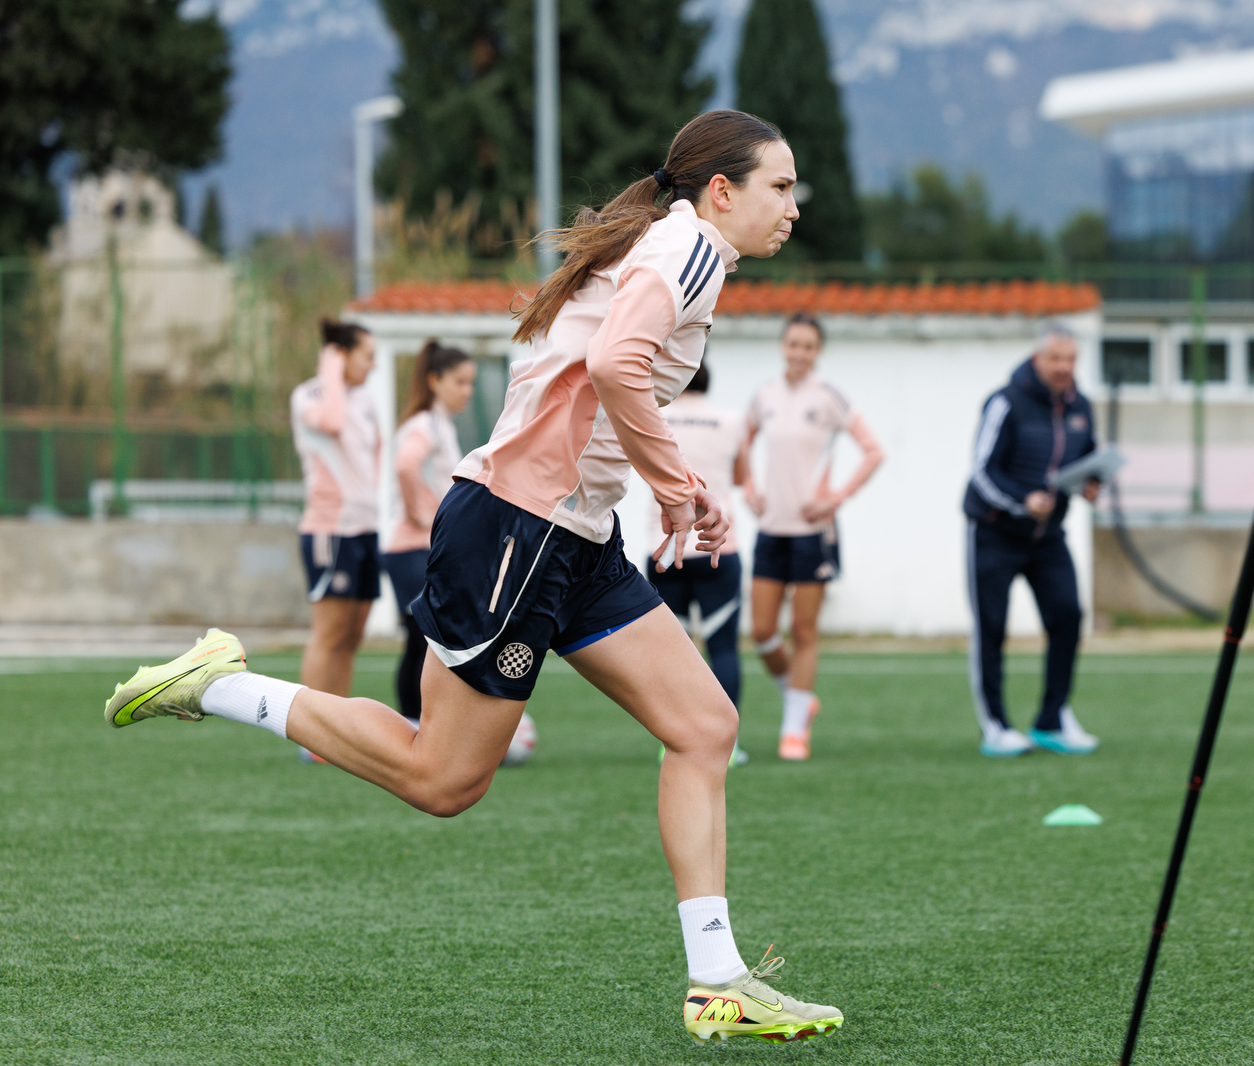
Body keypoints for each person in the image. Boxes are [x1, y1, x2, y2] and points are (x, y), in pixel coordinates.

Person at [100, 109, 842, 1046]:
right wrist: (682, 486)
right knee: (443, 778)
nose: (794, 207)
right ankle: (221, 685)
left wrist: (656, 494)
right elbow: (615, 365)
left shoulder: (675, 250)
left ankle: (716, 981)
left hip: (573, 537)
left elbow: (588, 382)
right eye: (780, 187)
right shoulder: (687, 245)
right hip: (515, 534)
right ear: (721, 190)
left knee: (705, 725)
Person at [743, 312, 883, 762]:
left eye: (808, 346)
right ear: (783, 346)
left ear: (817, 351)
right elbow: (740, 445)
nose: (799, 352)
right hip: (770, 531)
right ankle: (798, 697)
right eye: (793, 344)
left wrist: (836, 498)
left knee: (804, 631)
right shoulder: (764, 396)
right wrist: (749, 490)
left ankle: (793, 730)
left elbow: (874, 451)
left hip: (812, 534)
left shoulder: (829, 398)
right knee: (762, 631)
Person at [962, 323, 1100, 758]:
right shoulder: (1005, 401)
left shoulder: (1082, 406)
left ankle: (1052, 719)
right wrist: (1024, 501)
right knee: (992, 629)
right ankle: (997, 726)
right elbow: (982, 470)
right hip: (994, 533)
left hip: (1049, 537)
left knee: (1068, 616)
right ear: (1038, 359)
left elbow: (1087, 459)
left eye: (1071, 359)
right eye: (1056, 358)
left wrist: (1093, 484)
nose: (1064, 368)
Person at [649, 359, 751, 767]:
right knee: (723, 647)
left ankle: (671, 741)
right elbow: (742, 476)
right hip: (717, 548)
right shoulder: (731, 421)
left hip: (663, 547)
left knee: (668, 652)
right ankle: (727, 745)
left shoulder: (655, 418)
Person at [290, 320, 380, 742]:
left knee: (353, 633)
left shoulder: (363, 400)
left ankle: (338, 733)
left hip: (365, 530)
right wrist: (331, 366)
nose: (373, 365)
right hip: (330, 532)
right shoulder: (310, 395)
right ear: (340, 355)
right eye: (367, 356)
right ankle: (312, 735)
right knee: (328, 633)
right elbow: (330, 421)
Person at [383, 339, 475, 720]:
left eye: (471, 383)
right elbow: (406, 465)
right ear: (434, 381)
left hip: (423, 549)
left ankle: (425, 722)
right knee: (422, 640)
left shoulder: (440, 425)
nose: (467, 391)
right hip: (410, 549)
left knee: (431, 639)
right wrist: (421, 513)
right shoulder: (426, 425)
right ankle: (412, 721)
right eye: (459, 382)